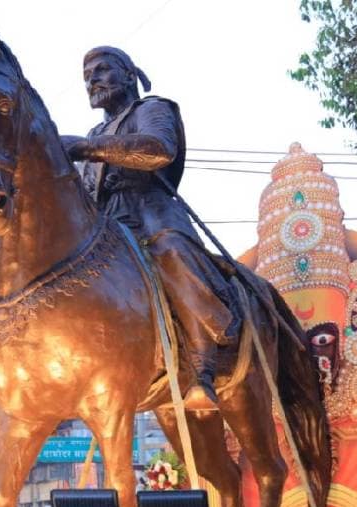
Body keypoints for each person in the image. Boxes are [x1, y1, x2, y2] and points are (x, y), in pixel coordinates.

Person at [62, 46, 240, 410]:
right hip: (106, 219)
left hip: (149, 208)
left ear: (129, 75)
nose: (92, 80)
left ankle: (204, 366)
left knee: (172, 251)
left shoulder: (152, 109)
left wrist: (85, 148)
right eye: (86, 77)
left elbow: (159, 150)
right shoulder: (96, 131)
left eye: (101, 70)